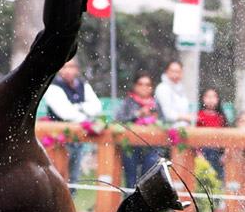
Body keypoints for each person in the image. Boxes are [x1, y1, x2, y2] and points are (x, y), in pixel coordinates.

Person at [44, 58, 103, 192]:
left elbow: (97, 107)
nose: (67, 71)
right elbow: (65, 113)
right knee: (58, 175)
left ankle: (70, 206)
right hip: (58, 140)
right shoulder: (53, 86)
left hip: (78, 139)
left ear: (77, 69)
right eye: (64, 67)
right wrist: (84, 112)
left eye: (71, 67)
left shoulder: (82, 84)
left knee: (74, 177)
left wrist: (77, 106)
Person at [113, 74, 164, 189]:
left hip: (151, 147)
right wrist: (137, 115)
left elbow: (164, 122)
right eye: (141, 84)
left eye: (147, 85)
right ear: (135, 86)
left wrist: (154, 118)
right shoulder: (128, 102)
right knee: (131, 180)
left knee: (149, 179)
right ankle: (130, 204)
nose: (144, 87)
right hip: (131, 147)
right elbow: (119, 121)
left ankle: (144, 206)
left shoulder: (156, 104)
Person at [195, 88, 228, 179]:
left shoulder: (221, 117)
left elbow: (228, 136)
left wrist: (225, 153)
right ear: (203, 98)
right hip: (204, 151)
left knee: (217, 176)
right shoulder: (199, 116)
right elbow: (195, 136)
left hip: (218, 152)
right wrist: (198, 152)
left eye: (213, 96)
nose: (210, 99)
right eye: (208, 96)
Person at [154, 60, 194, 125]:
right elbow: (168, 115)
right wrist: (187, 117)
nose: (175, 75)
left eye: (178, 72)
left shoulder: (180, 88)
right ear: (166, 72)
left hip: (182, 127)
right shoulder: (163, 88)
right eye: (172, 71)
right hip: (167, 128)